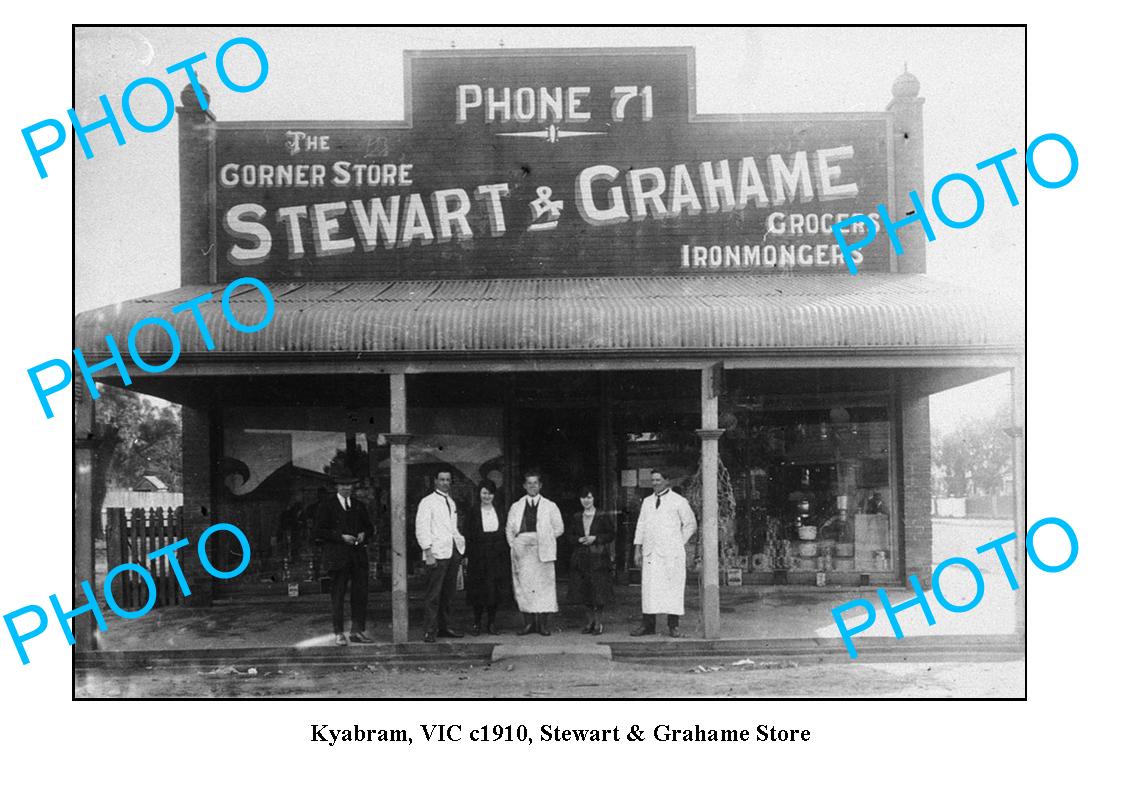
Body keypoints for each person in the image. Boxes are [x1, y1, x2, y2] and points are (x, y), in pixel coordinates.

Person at [631, 469, 697, 638]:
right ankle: (648, 625)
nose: (655, 483)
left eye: (658, 480)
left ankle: (673, 626)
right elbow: (641, 526)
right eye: (652, 480)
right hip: (651, 553)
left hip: (671, 554)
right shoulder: (647, 502)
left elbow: (690, 524)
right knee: (650, 589)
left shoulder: (678, 501)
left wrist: (677, 542)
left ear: (667, 481)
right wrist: (637, 549)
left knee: (672, 589)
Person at [314, 469, 376, 645]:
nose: (346, 488)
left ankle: (357, 631)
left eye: (349, 485)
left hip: (358, 558)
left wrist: (364, 534)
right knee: (338, 596)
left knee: (360, 595)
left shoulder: (358, 505)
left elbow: (370, 527)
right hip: (337, 558)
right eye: (343, 485)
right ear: (336, 487)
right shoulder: (326, 506)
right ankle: (339, 633)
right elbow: (318, 532)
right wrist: (341, 537)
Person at [505, 471, 564, 636]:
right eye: (529, 483)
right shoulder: (516, 506)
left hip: (542, 549)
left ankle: (542, 625)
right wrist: (515, 546)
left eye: (535, 483)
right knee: (525, 586)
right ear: (524, 486)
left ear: (540, 485)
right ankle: (528, 624)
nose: (532, 486)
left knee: (544, 587)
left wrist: (544, 539)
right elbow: (509, 529)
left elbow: (559, 528)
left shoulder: (550, 506)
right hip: (522, 551)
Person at [415, 469, 467, 643]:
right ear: (435, 481)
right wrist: (428, 552)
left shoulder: (450, 502)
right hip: (436, 554)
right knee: (433, 595)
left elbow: (452, 528)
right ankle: (430, 631)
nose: (445, 483)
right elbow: (421, 528)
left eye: (448, 480)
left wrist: (459, 549)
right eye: (442, 479)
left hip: (451, 552)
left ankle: (445, 627)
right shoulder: (427, 502)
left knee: (448, 594)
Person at [463, 480, 510, 635]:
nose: (487, 496)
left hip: (496, 555)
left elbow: (505, 531)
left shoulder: (500, 510)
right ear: (479, 494)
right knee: (479, 590)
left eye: (489, 493)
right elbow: (468, 534)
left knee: (494, 591)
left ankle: (491, 622)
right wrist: (468, 555)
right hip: (478, 556)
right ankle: (476, 622)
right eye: (484, 493)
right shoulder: (473, 511)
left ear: (493, 494)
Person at [566, 486, 615, 635]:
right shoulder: (576, 516)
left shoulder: (602, 515)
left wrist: (596, 538)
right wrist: (578, 539)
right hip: (581, 557)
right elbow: (569, 536)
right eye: (583, 498)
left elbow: (611, 534)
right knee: (584, 591)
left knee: (598, 591)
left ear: (594, 499)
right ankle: (589, 622)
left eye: (589, 497)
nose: (586, 500)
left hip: (598, 557)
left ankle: (598, 623)